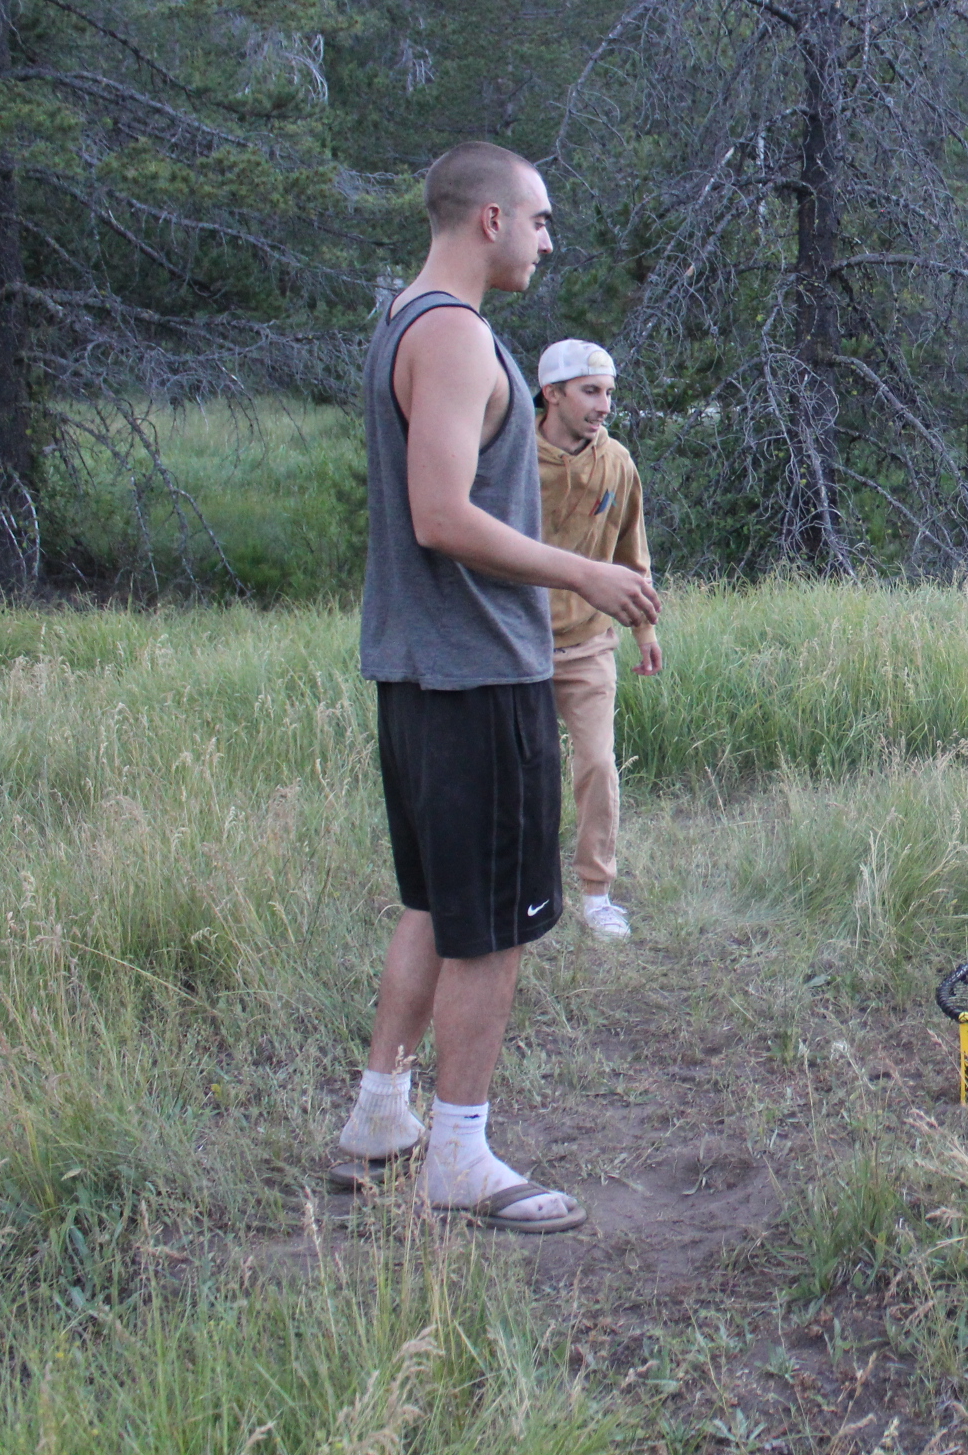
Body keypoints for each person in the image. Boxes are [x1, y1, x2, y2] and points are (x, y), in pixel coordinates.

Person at [329, 141, 662, 1234]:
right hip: (476, 672)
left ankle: (381, 1117)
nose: (547, 241)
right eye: (540, 220)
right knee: (493, 927)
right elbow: (440, 515)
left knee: (437, 901)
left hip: (419, 668)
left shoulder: (405, 319)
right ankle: (459, 1156)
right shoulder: (455, 336)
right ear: (490, 221)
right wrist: (583, 573)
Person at [534, 338, 662, 941]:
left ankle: (596, 894)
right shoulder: (510, 457)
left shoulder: (617, 462)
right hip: (516, 645)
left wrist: (644, 627)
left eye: (609, 392)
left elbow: (632, 552)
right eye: (590, 391)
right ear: (552, 394)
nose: (604, 405)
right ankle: (525, 889)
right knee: (524, 772)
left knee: (597, 766)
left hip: (588, 642)